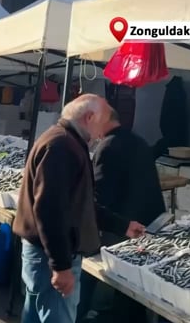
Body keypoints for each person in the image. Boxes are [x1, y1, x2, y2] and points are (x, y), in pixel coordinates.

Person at [12, 94, 146, 323]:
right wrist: (61, 266)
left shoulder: (65, 140)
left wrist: (122, 225)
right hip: (50, 257)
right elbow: (49, 210)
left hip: (44, 254)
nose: (102, 131)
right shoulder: (62, 146)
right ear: (89, 117)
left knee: (35, 315)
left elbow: (77, 204)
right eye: (102, 122)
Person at [77, 109, 166, 323]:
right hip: (148, 221)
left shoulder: (108, 146)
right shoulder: (139, 141)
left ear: (102, 121)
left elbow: (99, 195)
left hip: (122, 226)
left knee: (105, 278)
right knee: (134, 288)